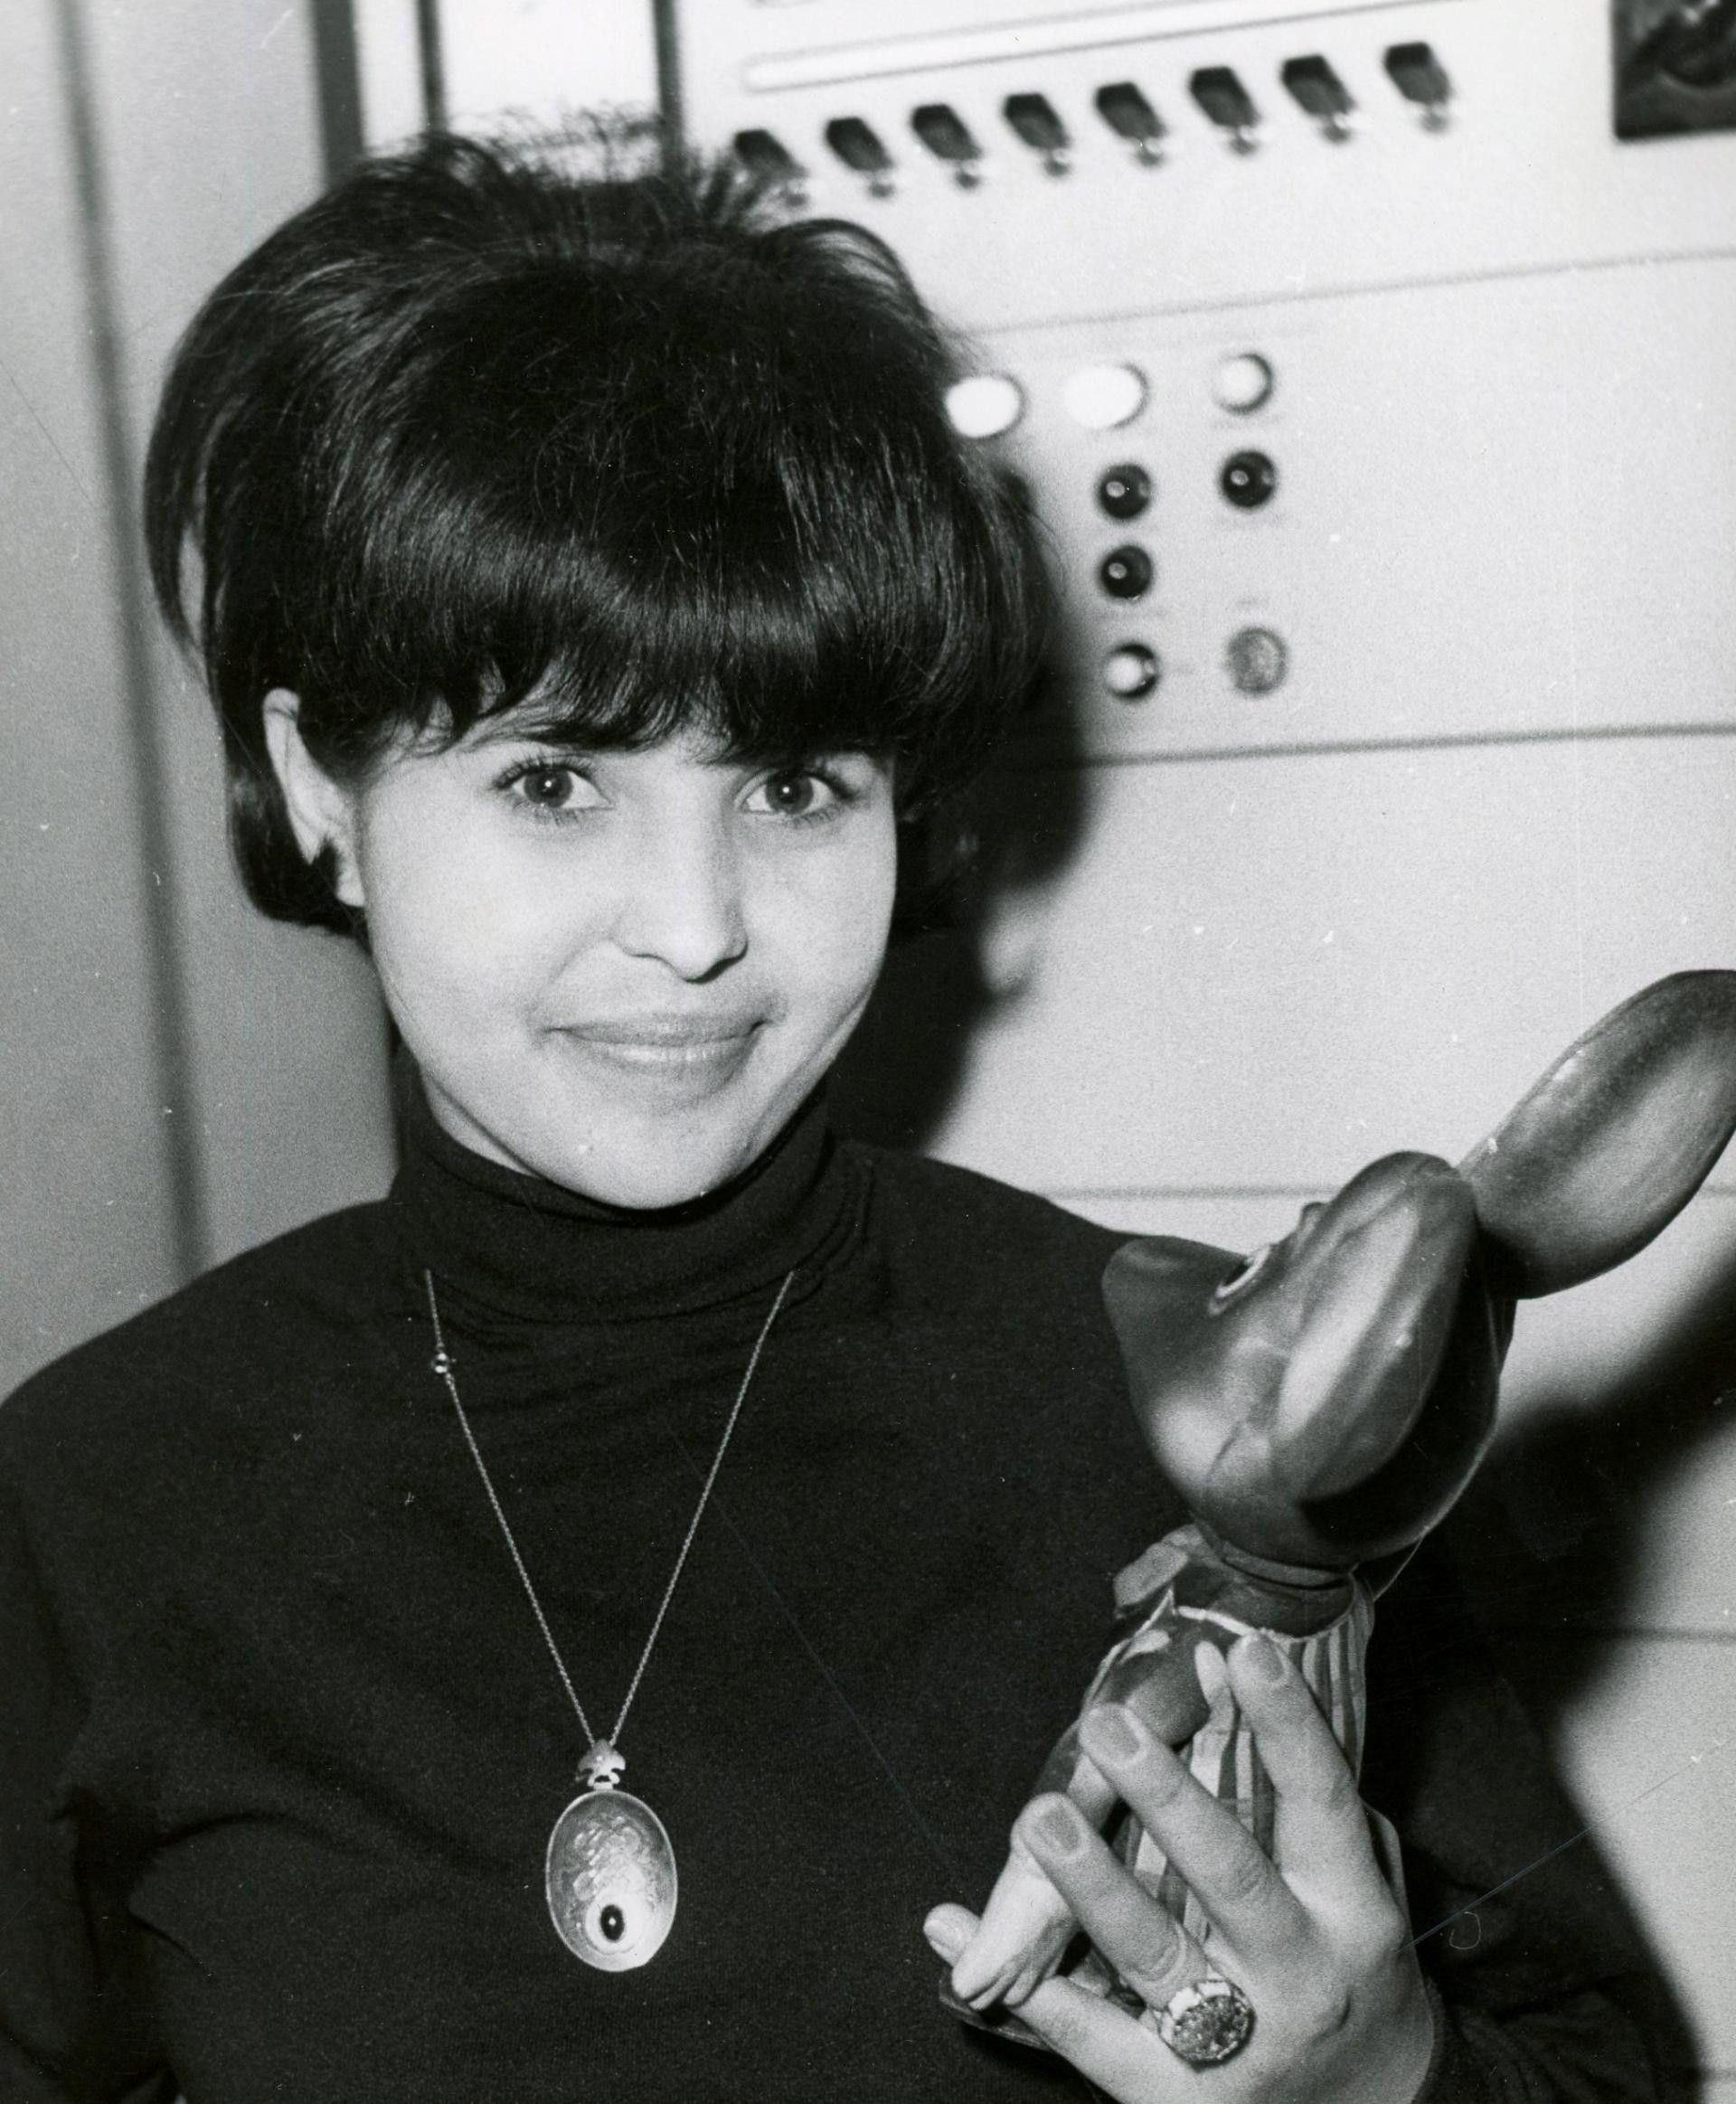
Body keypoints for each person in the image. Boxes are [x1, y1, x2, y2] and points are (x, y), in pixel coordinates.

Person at [0, 125, 1672, 2103]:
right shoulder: (91, 1508)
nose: (697, 927)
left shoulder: (1222, 1425)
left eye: (794, 786)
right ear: (318, 791)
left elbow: (1601, 2070)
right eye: (554, 783)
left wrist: (1382, 2076)